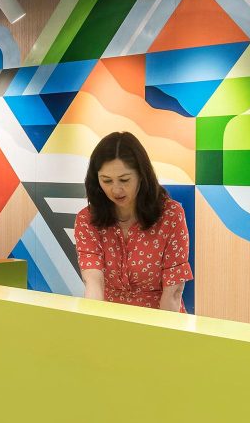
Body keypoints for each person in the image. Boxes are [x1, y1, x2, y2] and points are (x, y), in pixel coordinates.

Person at [74, 132, 192, 312]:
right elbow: (93, 282)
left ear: (142, 175)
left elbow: (173, 292)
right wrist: (94, 324)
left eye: (124, 180)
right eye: (106, 180)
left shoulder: (171, 215)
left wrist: (165, 335)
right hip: (110, 318)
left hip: (160, 317)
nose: (116, 189)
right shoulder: (87, 219)